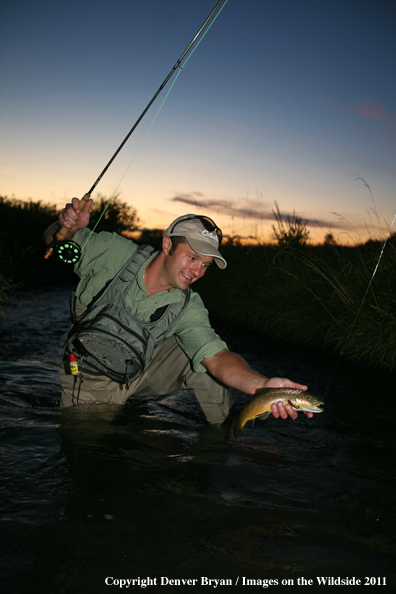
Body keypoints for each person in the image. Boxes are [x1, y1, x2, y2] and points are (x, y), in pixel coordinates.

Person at [43, 196, 313, 425]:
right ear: (167, 245)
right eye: (193, 257)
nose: (197, 272)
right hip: (87, 376)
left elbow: (218, 358)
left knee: (204, 368)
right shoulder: (113, 252)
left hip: (138, 371)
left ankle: (228, 435)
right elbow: (52, 240)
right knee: (85, 445)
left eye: (206, 265)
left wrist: (263, 386)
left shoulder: (188, 305)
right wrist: (63, 226)